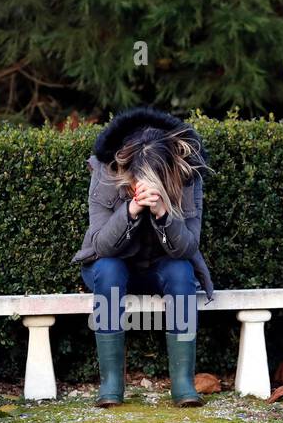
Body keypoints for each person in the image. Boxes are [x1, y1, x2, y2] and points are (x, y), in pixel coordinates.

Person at [71, 107, 215, 407]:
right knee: (109, 268)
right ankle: (110, 384)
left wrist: (164, 214)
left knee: (180, 271)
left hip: (162, 266)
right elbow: (103, 245)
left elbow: (188, 247)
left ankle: (183, 384)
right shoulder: (105, 171)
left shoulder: (188, 177)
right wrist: (131, 210)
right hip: (110, 265)